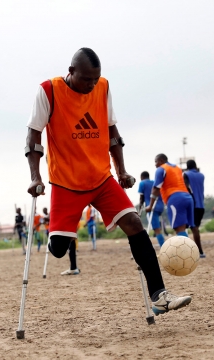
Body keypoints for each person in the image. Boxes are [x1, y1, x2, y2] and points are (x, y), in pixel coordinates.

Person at [25, 48, 191, 315]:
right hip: (66, 182)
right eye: (86, 79)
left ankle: (159, 294)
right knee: (58, 249)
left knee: (134, 223)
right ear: (71, 72)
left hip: (101, 177)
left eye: (95, 79)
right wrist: (36, 177)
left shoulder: (102, 88)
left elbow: (112, 132)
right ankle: (58, 236)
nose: (92, 85)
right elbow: (33, 137)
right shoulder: (49, 91)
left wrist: (121, 170)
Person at [145, 154, 195, 241]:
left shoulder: (161, 169)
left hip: (175, 199)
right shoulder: (177, 168)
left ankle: (185, 252)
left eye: (156, 162)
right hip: (187, 197)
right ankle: (189, 250)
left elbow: (156, 188)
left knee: (179, 229)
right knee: (184, 228)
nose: (155, 164)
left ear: (161, 161)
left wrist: (150, 206)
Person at [183, 160, 206, 258]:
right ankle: (199, 251)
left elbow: (186, 187)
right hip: (201, 205)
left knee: (193, 227)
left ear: (187, 167)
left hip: (193, 204)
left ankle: (199, 251)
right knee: (195, 227)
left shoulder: (186, 174)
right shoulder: (201, 175)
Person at [138, 171, 165, 248]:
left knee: (157, 229)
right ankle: (163, 244)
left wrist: (139, 211)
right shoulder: (154, 182)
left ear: (142, 177)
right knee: (159, 228)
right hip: (160, 207)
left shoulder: (142, 183)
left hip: (152, 208)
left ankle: (163, 246)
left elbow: (141, 198)